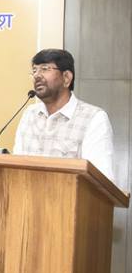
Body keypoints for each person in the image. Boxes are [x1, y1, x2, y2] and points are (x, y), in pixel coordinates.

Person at [14, 49, 115, 181]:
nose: (37, 75)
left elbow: (102, 180)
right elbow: (16, 166)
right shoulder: (29, 114)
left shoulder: (94, 118)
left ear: (66, 77)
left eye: (45, 69)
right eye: (34, 70)